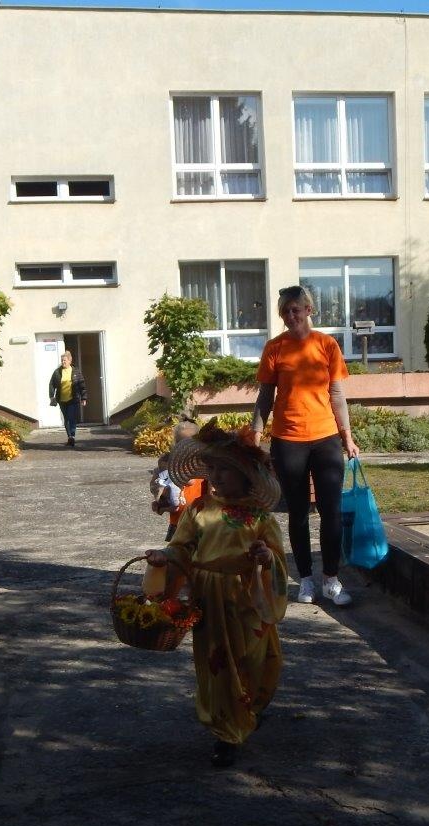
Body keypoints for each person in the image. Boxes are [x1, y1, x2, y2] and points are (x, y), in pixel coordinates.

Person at [146, 419, 287, 768]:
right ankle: (227, 732)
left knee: (254, 658)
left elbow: (277, 559)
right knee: (218, 663)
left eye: (224, 469)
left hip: (248, 597)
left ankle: (250, 707)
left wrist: (266, 559)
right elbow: (182, 548)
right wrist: (165, 558)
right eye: (211, 468)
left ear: (246, 475)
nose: (216, 476)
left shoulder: (261, 518)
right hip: (209, 597)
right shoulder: (198, 510)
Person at [252, 285, 360, 607]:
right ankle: (306, 580)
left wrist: (347, 436)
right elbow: (265, 397)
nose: (290, 316)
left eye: (295, 309)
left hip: (325, 438)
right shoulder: (275, 348)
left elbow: (337, 395)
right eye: (285, 311)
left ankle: (331, 579)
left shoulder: (326, 345)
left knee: (331, 511)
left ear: (308, 310)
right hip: (288, 441)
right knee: (298, 512)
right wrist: (255, 434)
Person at [48, 350, 86, 447]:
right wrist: (52, 396)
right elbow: (51, 384)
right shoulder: (57, 372)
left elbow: (82, 385)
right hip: (62, 400)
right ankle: (70, 437)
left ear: (70, 360)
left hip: (73, 399)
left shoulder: (76, 371)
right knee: (66, 419)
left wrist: (83, 398)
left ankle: (72, 436)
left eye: (65, 360)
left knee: (71, 417)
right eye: (62, 360)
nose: (63, 362)